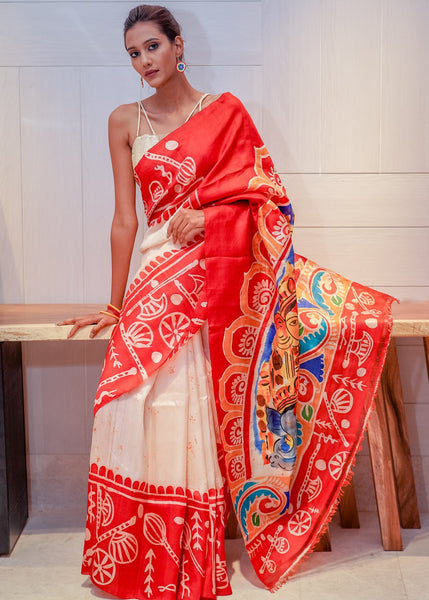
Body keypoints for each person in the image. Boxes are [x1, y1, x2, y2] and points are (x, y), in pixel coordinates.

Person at [59, 5, 394, 599]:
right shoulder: (122, 121)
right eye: (133, 54)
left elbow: (270, 199)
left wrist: (209, 216)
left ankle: (189, 555)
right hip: (153, 274)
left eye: (152, 47)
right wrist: (114, 307)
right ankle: (132, 557)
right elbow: (122, 220)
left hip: (209, 274)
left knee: (184, 404)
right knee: (130, 400)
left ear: (178, 45)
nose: (143, 63)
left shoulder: (227, 113)